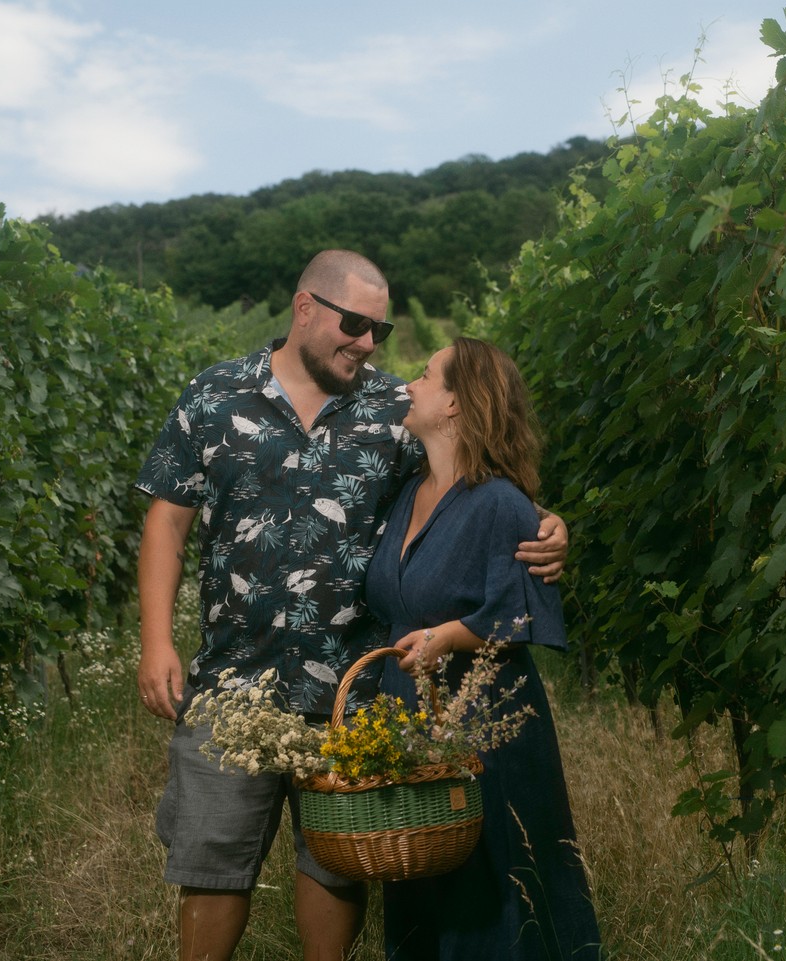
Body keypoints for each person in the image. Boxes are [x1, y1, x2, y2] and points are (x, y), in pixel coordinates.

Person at [133, 250, 569, 961]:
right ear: (306, 307)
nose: (369, 343)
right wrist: (157, 640)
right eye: (356, 324)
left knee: (335, 862)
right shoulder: (214, 396)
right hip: (232, 683)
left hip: (355, 690)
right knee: (211, 863)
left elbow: (470, 476)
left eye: (380, 328)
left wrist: (549, 522)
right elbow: (167, 521)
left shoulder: (391, 408)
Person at [365, 337, 601, 960]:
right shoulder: (406, 494)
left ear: (456, 405)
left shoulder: (498, 501)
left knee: (497, 882)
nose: (409, 384)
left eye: (425, 374)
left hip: (486, 721)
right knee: (424, 881)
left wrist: (447, 638)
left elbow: (518, 612)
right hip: (411, 717)